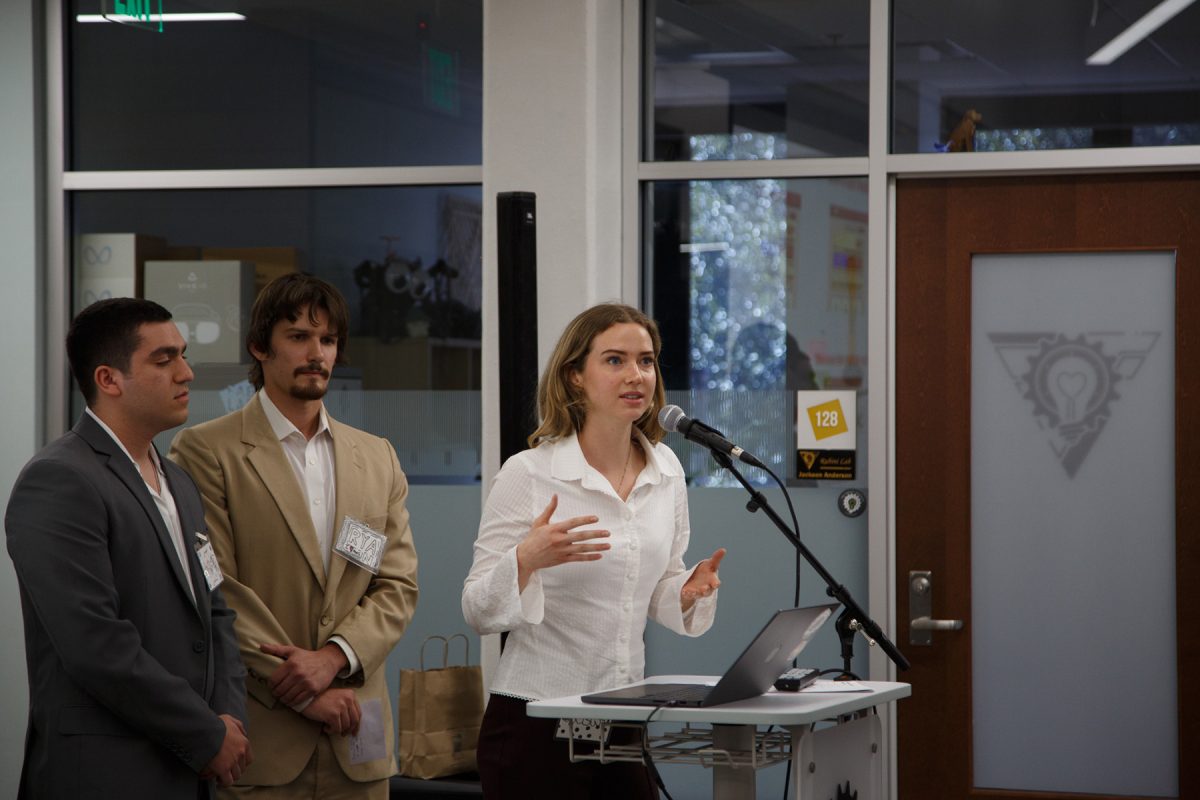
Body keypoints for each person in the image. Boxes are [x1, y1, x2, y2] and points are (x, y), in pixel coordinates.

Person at [169, 274, 419, 799]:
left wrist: (334, 657)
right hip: (262, 738)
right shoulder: (206, 451)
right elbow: (215, 587)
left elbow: (396, 586)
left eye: (327, 340)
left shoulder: (377, 456)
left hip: (359, 734)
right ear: (260, 347)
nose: (316, 353)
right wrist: (303, 692)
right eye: (299, 337)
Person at [462, 302, 725, 798]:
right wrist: (525, 560)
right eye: (614, 360)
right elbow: (477, 608)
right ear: (575, 376)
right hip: (536, 722)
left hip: (622, 714)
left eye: (645, 361)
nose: (635, 375)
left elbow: (648, 588)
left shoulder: (666, 471)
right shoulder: (529, 473)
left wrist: (685, 591)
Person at [5, 298, 252, 798]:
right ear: (108, 379)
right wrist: (204, 733)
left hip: (191, 768)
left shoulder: (179, 482)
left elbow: (215, 611)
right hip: (107, 773)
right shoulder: (60, 480)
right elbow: (95, 645)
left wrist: (227, 718)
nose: (186, 373)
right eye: (163, 360)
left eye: (183, 355)